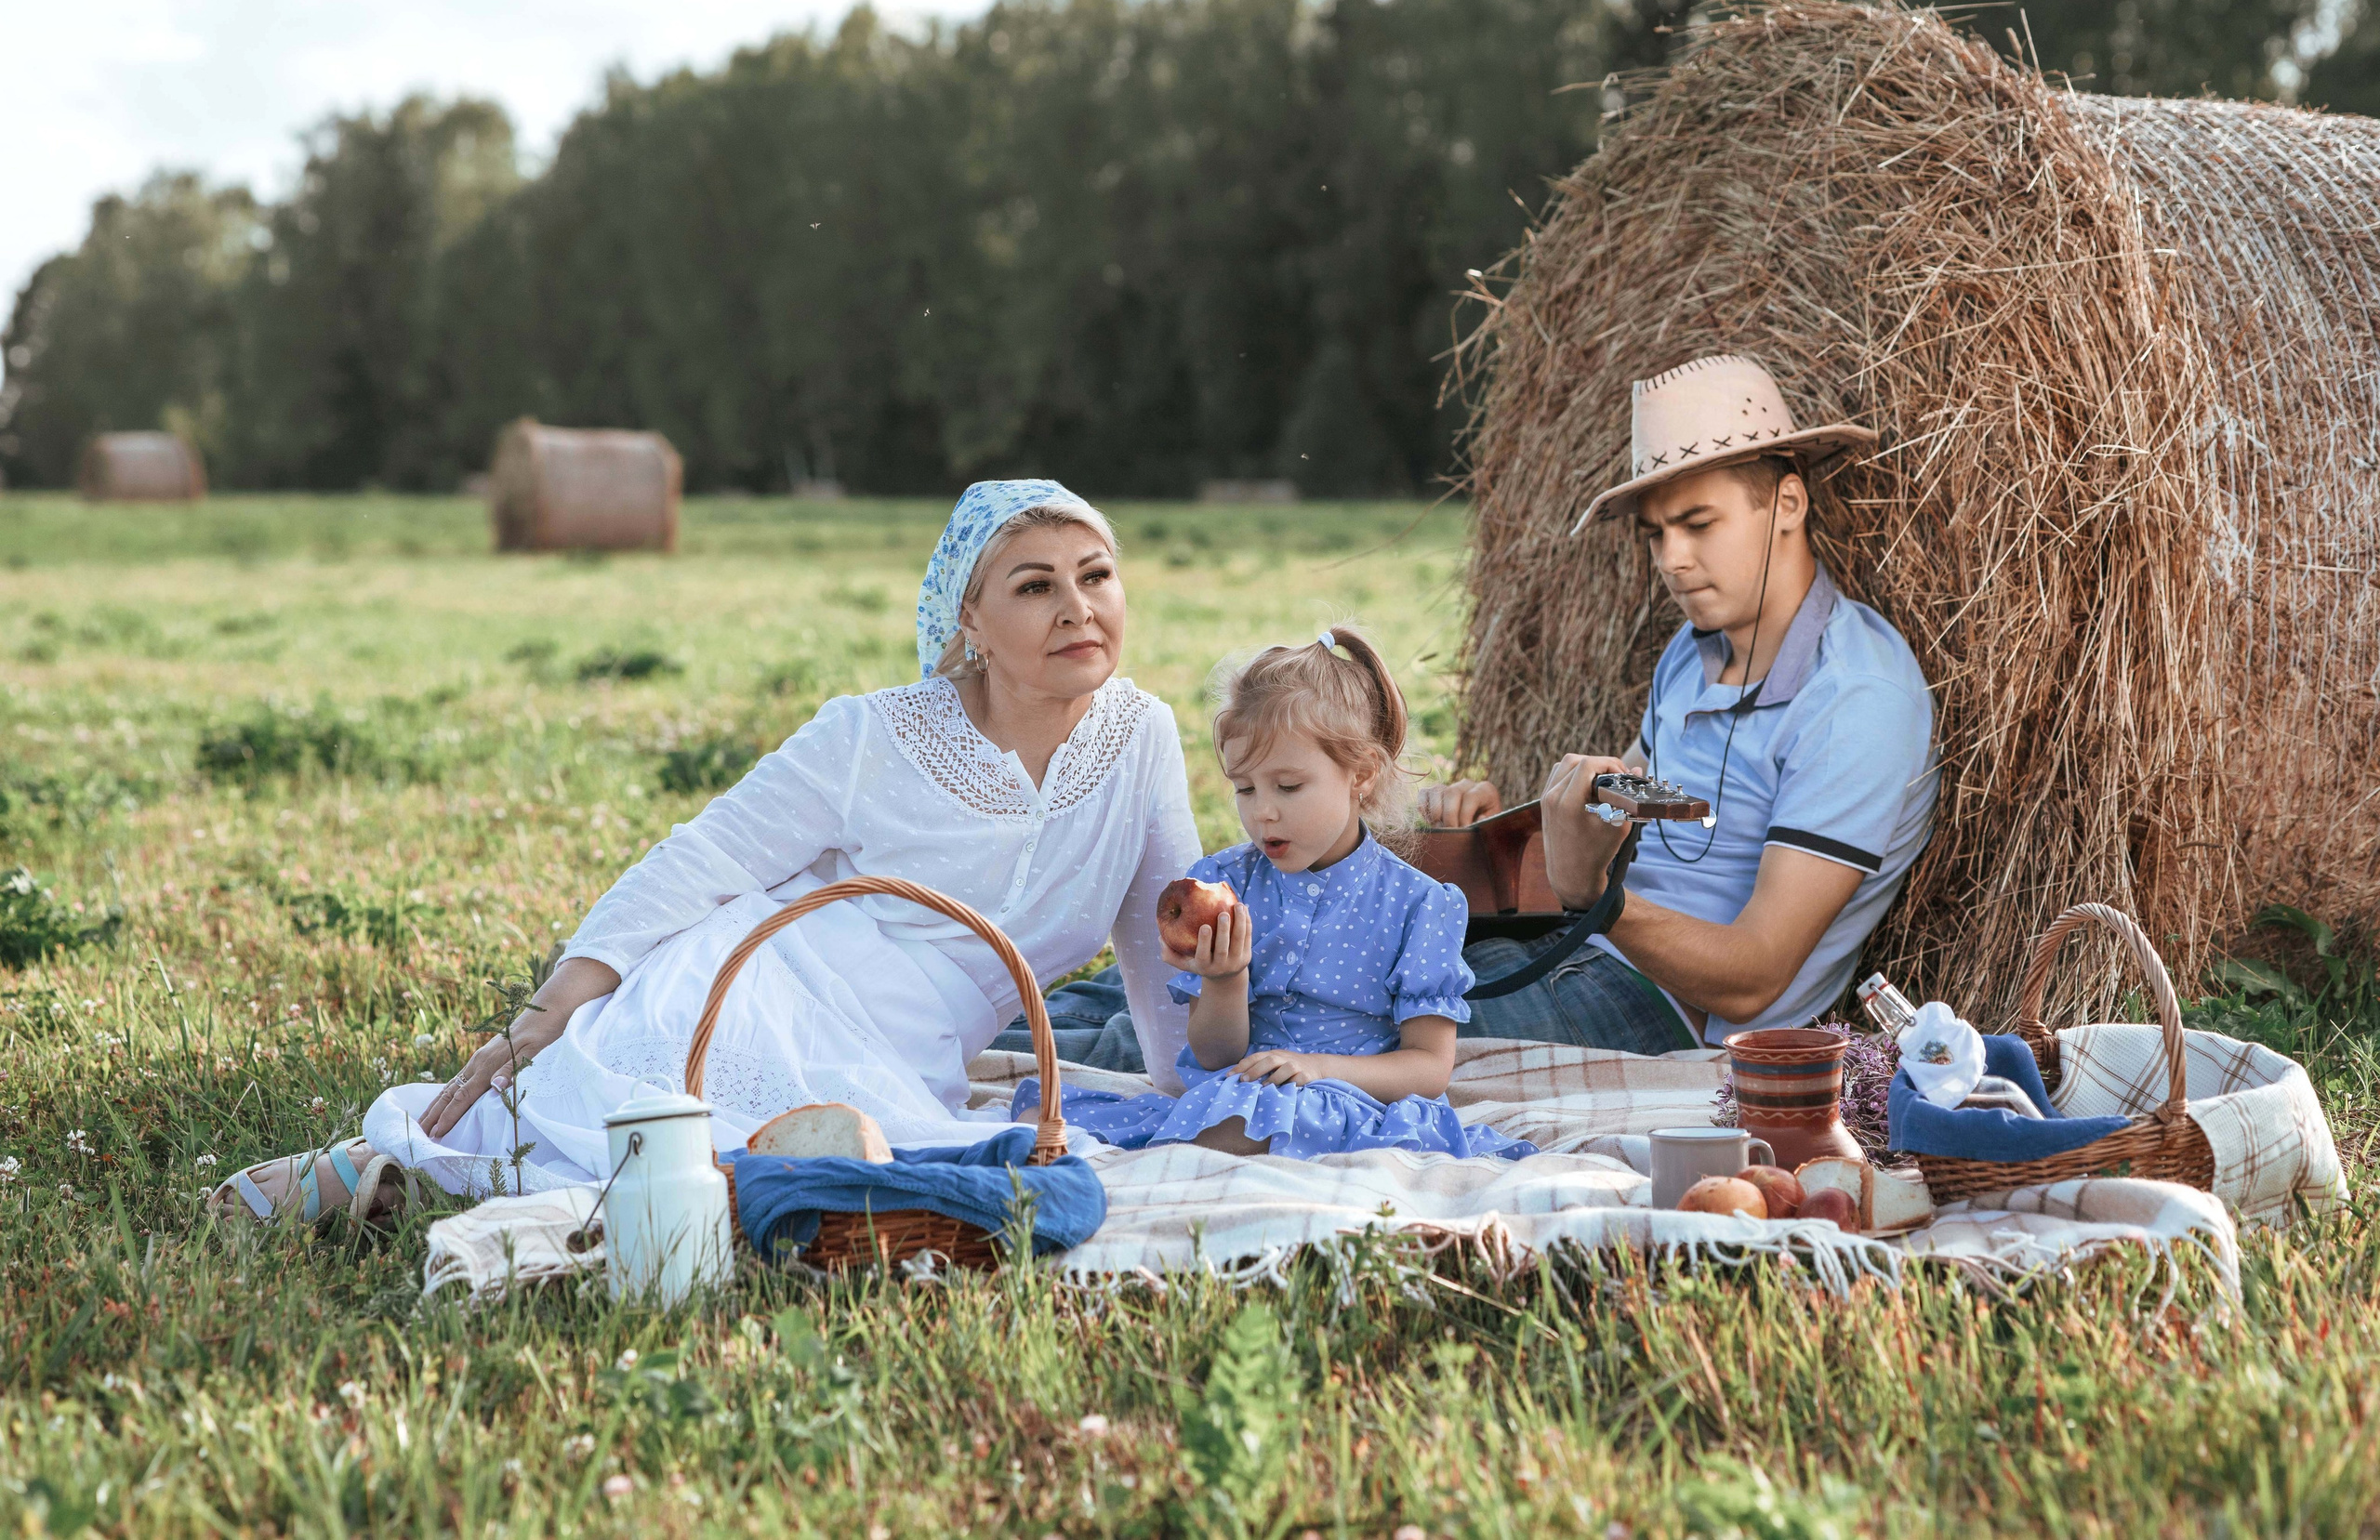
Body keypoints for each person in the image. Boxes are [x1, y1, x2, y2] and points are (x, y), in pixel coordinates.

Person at [210, 480, 1202, 1221]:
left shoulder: (1144, 735)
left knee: (815, 1170)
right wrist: (556, 1000)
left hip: (909, 1050)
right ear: (972, 623)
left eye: (1096, 575)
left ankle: (429, 1183)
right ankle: (388, 1166)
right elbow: (703, 857)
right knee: (639, 1128)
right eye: (1036, 586)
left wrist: (1181, 1092)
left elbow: (1164, 937)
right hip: (763, 976)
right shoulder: (873, 732)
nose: (1078, 606)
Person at [1421, 354, 1939, 1054]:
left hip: (1664, 1016)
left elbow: (1755, 975)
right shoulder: (1693, 655)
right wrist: (1514, 830)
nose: (1671, 559)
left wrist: (1599, 900)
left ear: (1788, 504)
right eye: (1658, 533)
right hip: (1582, 952)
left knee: (1361, 1030)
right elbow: (1647, 806)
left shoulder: (1855, 699)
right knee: (1330, 972)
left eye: (1698, 523)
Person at [1012, 626, 1532, 1161]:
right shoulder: (1226, 883)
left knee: (1235, 1130)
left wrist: (1319, 1069)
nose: (1263, 811)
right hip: (1237, 1095)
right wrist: (1225, 978)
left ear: (1363, 774)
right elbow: (1215, 1056)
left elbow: (1428, 1067)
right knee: (1040, 1120)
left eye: (1288, 787)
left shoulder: (1419, 904)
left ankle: (1182, 1160)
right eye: (1244, 787)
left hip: (1353, 1101)